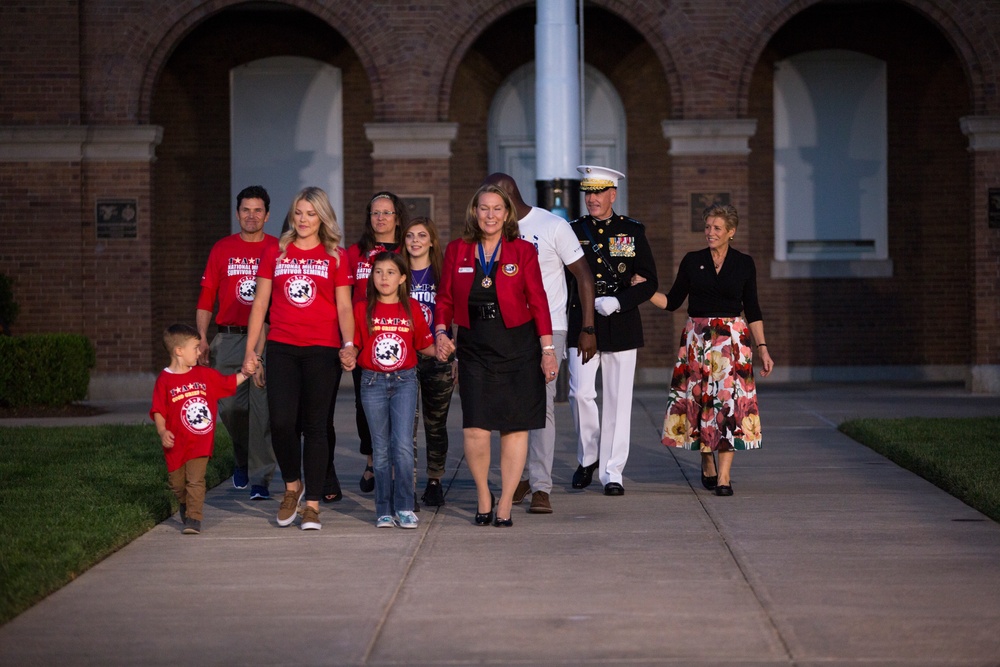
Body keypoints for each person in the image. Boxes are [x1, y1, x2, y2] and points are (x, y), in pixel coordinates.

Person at [434, 184, 557, 527]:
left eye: (497, 209)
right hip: (474, 345)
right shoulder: (458, 250)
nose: (490, 215)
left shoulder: (522, 252)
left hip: (518, 345)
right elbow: (443, 299)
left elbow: (538, 303)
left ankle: (504, 501)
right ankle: (483, 495)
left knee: (514, 428)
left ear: (507, 214)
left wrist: (548, 351)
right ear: (475, 212)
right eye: (484, 208)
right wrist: (442, 332)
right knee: (475, 426)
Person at [481, 173, 596, 515]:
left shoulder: (551, 225)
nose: (490, 212)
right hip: (505, 328)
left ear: (509, 195)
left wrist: (587, 326)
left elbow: (584, 276)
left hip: (551, 327)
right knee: (508, 404)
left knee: (542, 404)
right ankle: (519, 478)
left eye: (496, 203)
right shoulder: (493, 231)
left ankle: (542, 485)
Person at [242, 186, 354, 531]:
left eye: (310, 213)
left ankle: (313, 504)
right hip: (282, 347)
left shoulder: (336, 255)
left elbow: (344, 305)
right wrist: (252, 351)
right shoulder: (275, 252)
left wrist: (348, 343)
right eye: (299, 213)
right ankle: (293, 487)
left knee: (316, 427)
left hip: (322, 350)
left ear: (322, 217)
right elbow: (260, 304)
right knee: (280, 422)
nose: (303, 220)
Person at [650, 204, 774, 496]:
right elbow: (672, 301)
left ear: (731, 232)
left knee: (729, 406)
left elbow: (753, 309)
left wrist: (763, 348)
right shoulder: (693, 261)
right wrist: (643, 290)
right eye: (707, 227)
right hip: (698, 341)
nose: (710, 233)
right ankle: (707, 460)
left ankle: (724, 477)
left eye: (717, 228)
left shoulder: (744, 264)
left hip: (733, 343)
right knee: (699, 403)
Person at [566, 165, 658, 497]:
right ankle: (588, 457)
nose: (592, 199)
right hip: (582, 322)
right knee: (580, 394)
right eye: (588, 193)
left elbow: (650, 282)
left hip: (620, 322)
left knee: (618, 400)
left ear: (612, 194)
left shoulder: (631, 231)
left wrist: (618, 301)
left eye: (598, 192)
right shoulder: (572, 230)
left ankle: (611, 470)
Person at [195, 185, 278, 500]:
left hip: (266, 337)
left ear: (267, 215)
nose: (252, 216)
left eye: (258, 210)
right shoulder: (222, 249)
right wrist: (202, 337)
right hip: (227, 338)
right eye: (246, 209)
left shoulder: (276, 248)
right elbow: (206, 297)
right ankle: (241, 456)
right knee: (229, 406)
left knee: (261, 411)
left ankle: (260, 478)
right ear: (237, 213)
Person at [342, 252, 436, 528]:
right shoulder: (362, 308)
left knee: (404, 445)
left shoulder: (412, 309)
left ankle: (405, 506)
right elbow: (355, 344)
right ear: (372, 276)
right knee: (381, 448)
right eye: (379, 272)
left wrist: (443, 350)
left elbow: (423, 344)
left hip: (405, 381)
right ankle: (384, 509)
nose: (384, 277)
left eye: (391, 272)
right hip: (372, 382)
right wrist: (348, 355)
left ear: (403, 278)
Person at [151, 324, 248, 535]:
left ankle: (194, 518)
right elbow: (158, 410)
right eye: (195, 348)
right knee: (177, 484)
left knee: (195, 480)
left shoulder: (204, 375)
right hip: (176, 443)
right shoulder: (164, 381)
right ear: (179, 351)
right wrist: (162, 431)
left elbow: (228, 383)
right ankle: (185, 504)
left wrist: (246, 373)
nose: (199, 352)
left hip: (199, 442)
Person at [346, 192, 408, 495]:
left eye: (387, 213)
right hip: (364, 340)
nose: (380, 218)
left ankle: (397, 465)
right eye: (375, 213)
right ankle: (371, 460)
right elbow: (344, 297)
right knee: (364, 405)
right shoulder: (355, 252)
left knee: (401, 406)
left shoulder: (408, 249)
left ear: (397, 216)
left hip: (400, 336)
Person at [401, 216, 456, 507]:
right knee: (406, 426)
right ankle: (406, 484)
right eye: (410, 236)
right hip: (405, 358)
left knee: (436, 425)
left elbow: (453, 313)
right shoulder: (397, 273)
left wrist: (454, 353)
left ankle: (434, 479)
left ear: (432, 240)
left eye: (422, 235)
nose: (415, 241)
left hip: (438, 357)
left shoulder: (442, 273)